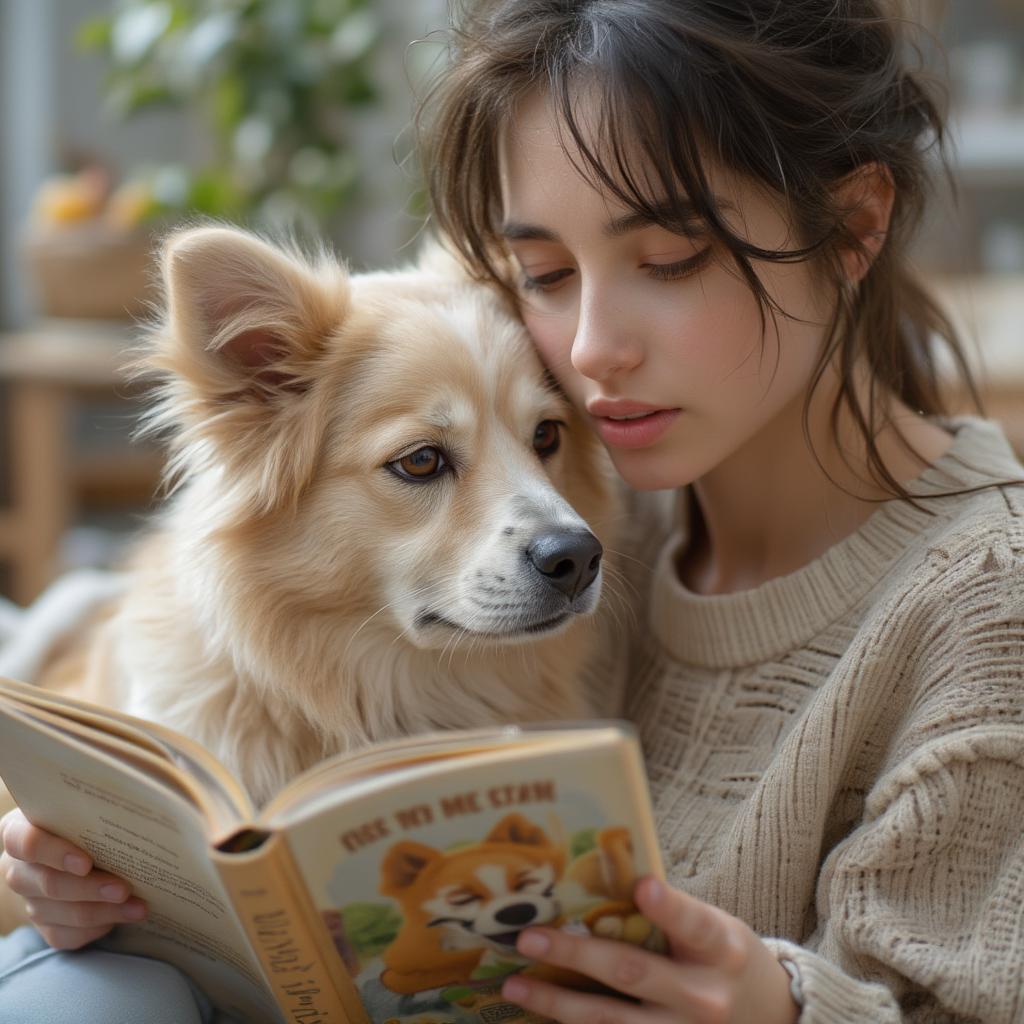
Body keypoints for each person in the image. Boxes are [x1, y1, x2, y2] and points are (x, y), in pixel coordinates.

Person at [3, 1, 1024, 1021]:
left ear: (851, 225)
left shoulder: (980, 612)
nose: (587, 348)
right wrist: (57, 878)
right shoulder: (623, 503)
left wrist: (785, 1008)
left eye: (667, 258)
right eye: (543, 274)